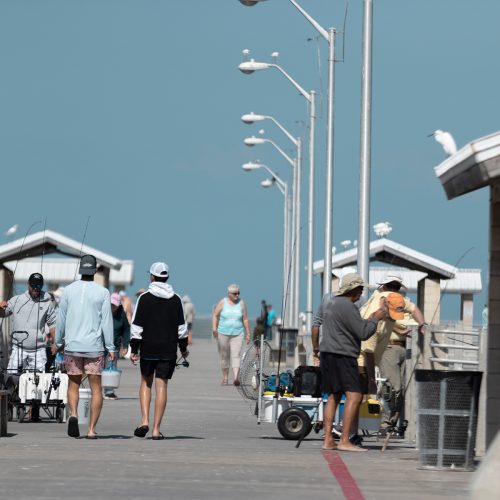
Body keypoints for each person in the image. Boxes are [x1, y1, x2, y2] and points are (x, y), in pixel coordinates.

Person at [311, 273, 387, 452]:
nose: (361, 293)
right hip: (344, 356)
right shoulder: (348, 306)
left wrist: (315, 349)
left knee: (333, 396)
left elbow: (350, 326)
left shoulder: (331, 303)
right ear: (352, 288)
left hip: (328, 354)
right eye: (360, 289)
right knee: (355, 395)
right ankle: (345, 440)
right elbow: (362, 333)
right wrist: (376, 317)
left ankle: (328, 439)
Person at [56, 254, 115, 439]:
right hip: (94, 347)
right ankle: (91, 430)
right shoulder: (103, 292)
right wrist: (111, 347)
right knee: (96, 388)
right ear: (95, 270)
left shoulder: (68, 290)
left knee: (73, 385)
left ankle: (73, 414)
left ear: (81, 269)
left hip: (72, 345)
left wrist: (58, 342)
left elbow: (61, 319)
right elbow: (106, 321)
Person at [359, 274, 426, 437]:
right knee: (362, 393)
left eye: (398, 287)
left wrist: (422, 325)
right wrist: (371, 380)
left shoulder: (394, 300)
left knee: (394, 388)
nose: (395, 289)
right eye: (392, 286)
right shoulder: (373, 317)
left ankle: (383, 425)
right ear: (384, 287)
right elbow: (367, 351)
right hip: (361, 357)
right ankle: (353, 432)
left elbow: (412, 309)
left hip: (382, 353)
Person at [130, 262, 188, 440]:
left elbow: (137, 325)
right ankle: (156, 430)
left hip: (148, 347)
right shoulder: (176, 299)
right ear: (167, 277)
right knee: (161, 385)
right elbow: (182, 328)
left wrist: (134, 348)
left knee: (146, 383)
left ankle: (145, 420)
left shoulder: (144, 298)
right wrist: (183, 348)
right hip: (168, 349)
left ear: (152, 277)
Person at [0, 273, 56, 375]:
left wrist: (54, 343)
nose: (36, 288)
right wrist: (0, 307)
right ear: (28, 284)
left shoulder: (48, 302)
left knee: (40, 382)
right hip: (18, 347)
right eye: (33, 285)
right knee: (10, 378)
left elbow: (53, 325)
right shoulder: (17, 300)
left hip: (39, 350)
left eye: (38, 286)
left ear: (42, 286)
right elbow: (3, 314)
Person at [212, 284, 251, 386]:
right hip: (223, 333)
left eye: (238, 293)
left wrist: (248, 333)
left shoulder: (241, 303)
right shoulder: (222, 302)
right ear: (229, 294)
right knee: (224, 356)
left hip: (238, 333)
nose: (237, 295)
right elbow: (215, 315)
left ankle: (235, 378)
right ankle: (225, 377)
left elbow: (245, 319)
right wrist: (214, 329)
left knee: (236, 355)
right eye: (234, 293)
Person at [103, 292, 130, 400]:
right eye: (111, 305)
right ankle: (96, 390)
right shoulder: (103, 310)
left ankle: (109, 391)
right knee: (97, 368)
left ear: (118, 305)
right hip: (100, 344)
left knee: (110, 367)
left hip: (114, 346)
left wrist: (126, 345)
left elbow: (126, 329)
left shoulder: (121, 314)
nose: (112, 307)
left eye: (114, 305)